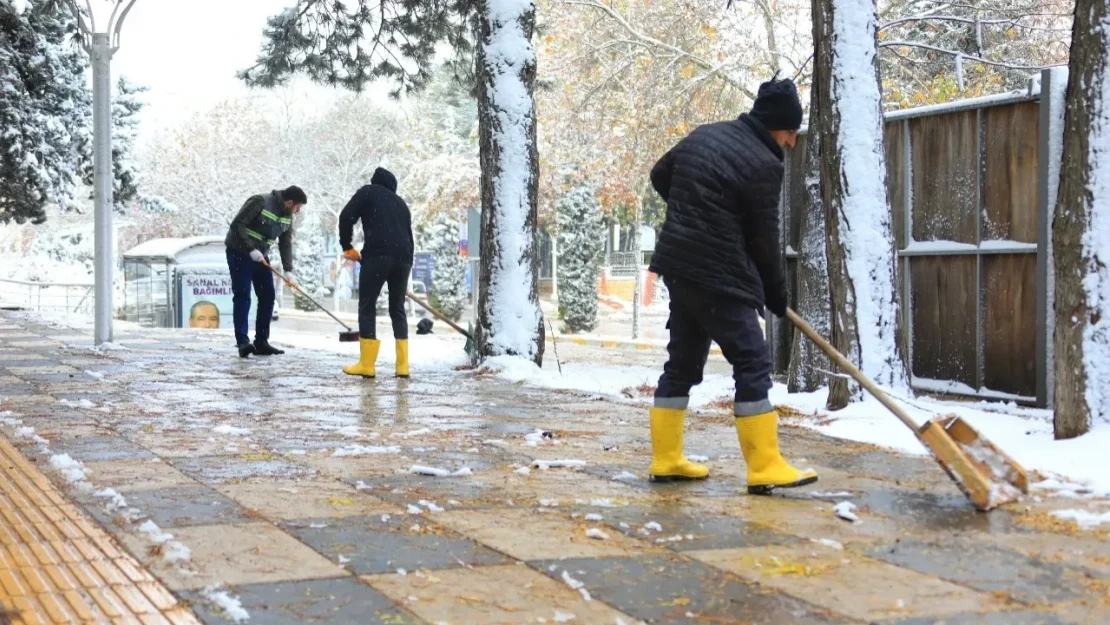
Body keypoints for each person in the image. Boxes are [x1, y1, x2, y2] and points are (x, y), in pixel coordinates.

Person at [646, 76, 817, 495]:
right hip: (717, 271)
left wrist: (695, 211)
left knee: (683, 362)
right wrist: (776, 292)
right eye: (791, 132)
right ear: (776, 125)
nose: (791, 143)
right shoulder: (764, 164)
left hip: (680, 265)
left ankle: (666, 459)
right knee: (752, 360)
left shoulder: (705, 135)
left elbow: (659, 174)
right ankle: (765, 465)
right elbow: (763, 238)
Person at [338, 167, 414, 378]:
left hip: (378, 256)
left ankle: (367, 364)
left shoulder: (368, 192)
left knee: (367, 305)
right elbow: (409, 237)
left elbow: (346, 216)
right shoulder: (401, 205)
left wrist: (347, 245)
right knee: (397, 308)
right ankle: (402, 365)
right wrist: (403, 266)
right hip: (404, 258)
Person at [225, 185, 307, 358]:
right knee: (243, 295)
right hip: (239, 252)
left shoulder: (287, 216)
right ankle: (242, 342)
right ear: (289, 202)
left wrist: (288, 270)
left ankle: (261, 341)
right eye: (298, 207)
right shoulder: (260, 202)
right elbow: (237, 225)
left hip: (260, 256)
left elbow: (285, 243)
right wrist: (250, 249)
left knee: (268, 296)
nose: (298, 211)